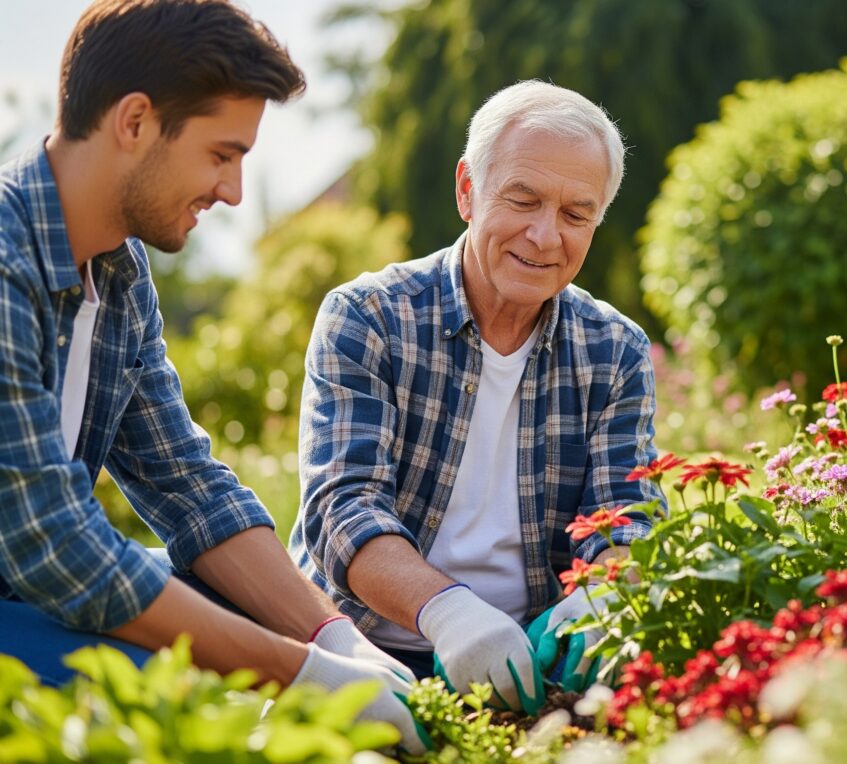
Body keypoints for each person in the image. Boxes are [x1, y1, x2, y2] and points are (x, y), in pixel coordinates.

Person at [0, 0, 424, 753]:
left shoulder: (121, 278)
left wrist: (331, 636)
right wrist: (295, 672)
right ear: (134, 122)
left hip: (37, 591)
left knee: (230, 604)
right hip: (23, 589)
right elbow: (54, 547)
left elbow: (187, 485)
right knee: (187, 699)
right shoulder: (6, 263)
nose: (231, 192)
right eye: (221, 154)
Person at [290, 80, 664, 712]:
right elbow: (343, 510)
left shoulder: (614, 349)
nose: (546, 236)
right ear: (468, 190)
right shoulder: (369, 318)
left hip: (536, 656)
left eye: (577, 215)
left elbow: (625, 512)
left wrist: (601, 596)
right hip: (368, 658)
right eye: (523, 199)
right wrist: (449, 611)